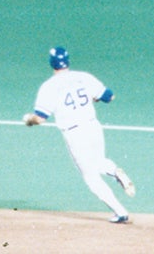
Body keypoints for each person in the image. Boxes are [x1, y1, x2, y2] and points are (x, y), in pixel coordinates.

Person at [23, 46, 135, 224]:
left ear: (52, 63)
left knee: (91, 177)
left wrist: (29, 119)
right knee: (99, 162)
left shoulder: (49, 86)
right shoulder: (83, 77)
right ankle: (115, 171)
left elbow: (40, 118)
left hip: (75, 133)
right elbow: (109, 97)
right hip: (93, 127)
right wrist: (94, 98)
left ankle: (121, 212)